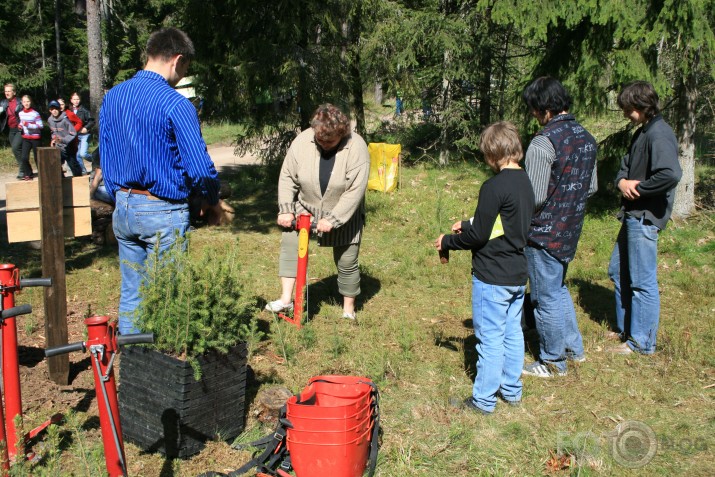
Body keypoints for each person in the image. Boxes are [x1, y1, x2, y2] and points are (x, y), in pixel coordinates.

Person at [100, 27, 228, 335]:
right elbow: (199, 167)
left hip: (124, 208)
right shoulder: (175, 103)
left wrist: (122, 197)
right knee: (169, 296)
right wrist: (213, 199)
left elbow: (105, 157)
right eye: (185, 69)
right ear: (178, 60)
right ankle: (163, 365)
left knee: (132, 294)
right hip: (162, 211)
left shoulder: (113, 97)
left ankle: (134, 367)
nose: (182, 76)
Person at [436, 122, 534, 414]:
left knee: (490, 339)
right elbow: (501, 222)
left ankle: (483, 401)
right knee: (513, 333)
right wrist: (467, 224)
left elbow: (480, 236)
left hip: (492, 277)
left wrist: (448, 241)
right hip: (517, 273)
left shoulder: (493, 186)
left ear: (492, 154)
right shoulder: (525, 183)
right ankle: (512, 391)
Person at [520, 77, 598, 378]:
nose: (532, 115)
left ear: (542, 108)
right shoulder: (587, 138)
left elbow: (534, 196)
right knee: (558, 288)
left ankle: (552, 361)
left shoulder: (543, 142)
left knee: (544, 296)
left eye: (533, 109)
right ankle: (573, 348)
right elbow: (590, 188)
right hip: (571, 227)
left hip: (542, 233)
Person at [265, 104, 370, 320]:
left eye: (329, 141)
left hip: (343, 212)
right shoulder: (303, 141)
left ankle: (348, 310)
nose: (323, 144)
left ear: (341, 134)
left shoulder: (357, 147)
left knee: (347, 261)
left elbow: (354, 191)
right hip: (306, 208)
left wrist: (333, 219)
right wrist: (286, 209)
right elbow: (287, 176)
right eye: (319, 139)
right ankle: (286, 300)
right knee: (290, 247)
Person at [607, 81, 682, 355]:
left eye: (628, 108)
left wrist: (638, 188)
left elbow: (670, 174)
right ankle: (626, 329)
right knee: (617, 271)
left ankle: (642, 343)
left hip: (645, 216)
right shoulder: (641, 133)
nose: (626, 113)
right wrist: (621, 183)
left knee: (642, 280)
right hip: (631, 215)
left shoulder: (659, 134)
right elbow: (623, 168)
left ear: (641, 106)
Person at [47, 100, 80, 175]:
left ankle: (79, 179)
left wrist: (63, 140)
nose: (54, 111)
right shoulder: (50, 120)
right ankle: (60, 180)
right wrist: (53, 139)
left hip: (69, 146)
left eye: (56, 109)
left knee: (73, 165)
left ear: (59, 109)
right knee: (56, 164)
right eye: (52, 109)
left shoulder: (65, 119)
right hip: (59, 147)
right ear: (50, 110)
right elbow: (52, 132)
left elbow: (73, 133)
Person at [0, 84, 25, 179]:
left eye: (9, 91)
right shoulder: (3, 103)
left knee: (15, 148)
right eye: (5, 91)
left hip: (20, 129)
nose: (7, 93)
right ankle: (27, 169)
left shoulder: (20, 102)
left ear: (14, 92)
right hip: (10, 130)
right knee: (18, 151)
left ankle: (22, 171)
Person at [58, 97, 86, 175]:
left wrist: (73, 130)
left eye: (62, 104)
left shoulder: (69, 113)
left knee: (72, 161)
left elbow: (79, 122)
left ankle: (79, 176)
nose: (60, 106)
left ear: (65, 105)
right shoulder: (55, 115)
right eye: (58, 104)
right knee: (57, 160)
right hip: (59, 142)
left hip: (71, 141)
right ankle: (60, 177)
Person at [18, 95, 43, 180]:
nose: (26, 103)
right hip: (26, 138)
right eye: (24, 102)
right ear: (22, 103)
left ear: (30, 102)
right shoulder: (20, 113)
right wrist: (20, 126)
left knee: (37, 157)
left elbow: (40, 126)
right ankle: (28, 173)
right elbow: (22, 122)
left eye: (28, 101)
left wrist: (29, 125)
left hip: (36, 138)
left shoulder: (35, 113)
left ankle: (42, 173)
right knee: (24, 157)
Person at [70, 92, 95, 165]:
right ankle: (83, 172)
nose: (76, 101)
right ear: (71, 100)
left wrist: (86, 128)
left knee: (83, 153)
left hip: (84, 135)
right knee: (77, 155)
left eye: (77, 99)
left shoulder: (84, 110)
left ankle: (97, 161)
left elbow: (92, 121)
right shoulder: (69, 111)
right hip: (75, 135)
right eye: (74, 99)